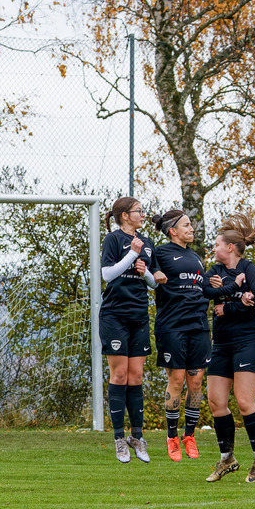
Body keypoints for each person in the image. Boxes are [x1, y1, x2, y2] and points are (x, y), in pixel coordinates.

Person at [151, 209, 240, 462]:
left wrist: (210, 286)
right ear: (173, 231)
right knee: (176, 380)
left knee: (196, 382)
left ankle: (189, 436)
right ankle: (171, 438)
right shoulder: (160, 252)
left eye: (191, 225)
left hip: (199, 325)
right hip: (172, 326)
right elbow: (150, 275)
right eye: (187, 225)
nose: (192, 229)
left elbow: (200, 288)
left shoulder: (196, 257)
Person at [204, 212, 255, 483]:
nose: (214, 248)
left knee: (244, 402)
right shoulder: (214, 271)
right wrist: (235, 293)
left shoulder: (249, 268)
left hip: (247, 342)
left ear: (229, 247)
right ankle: (227, 459)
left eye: (217, 244)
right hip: (220, 344)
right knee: (216, 403)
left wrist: (228, 306)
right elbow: (206, 293)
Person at [99, 196, 157, 464]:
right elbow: (107, 275)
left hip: (139, 316)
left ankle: (137, 436)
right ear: (124, 216)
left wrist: (145, 272)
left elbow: (153, 281)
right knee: (119, 374)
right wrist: (132, 253)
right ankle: (119, 439)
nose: (143, 215)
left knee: (136, 376)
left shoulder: (147, 241)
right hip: (114, 316)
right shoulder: (113, 239)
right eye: (138, 211)